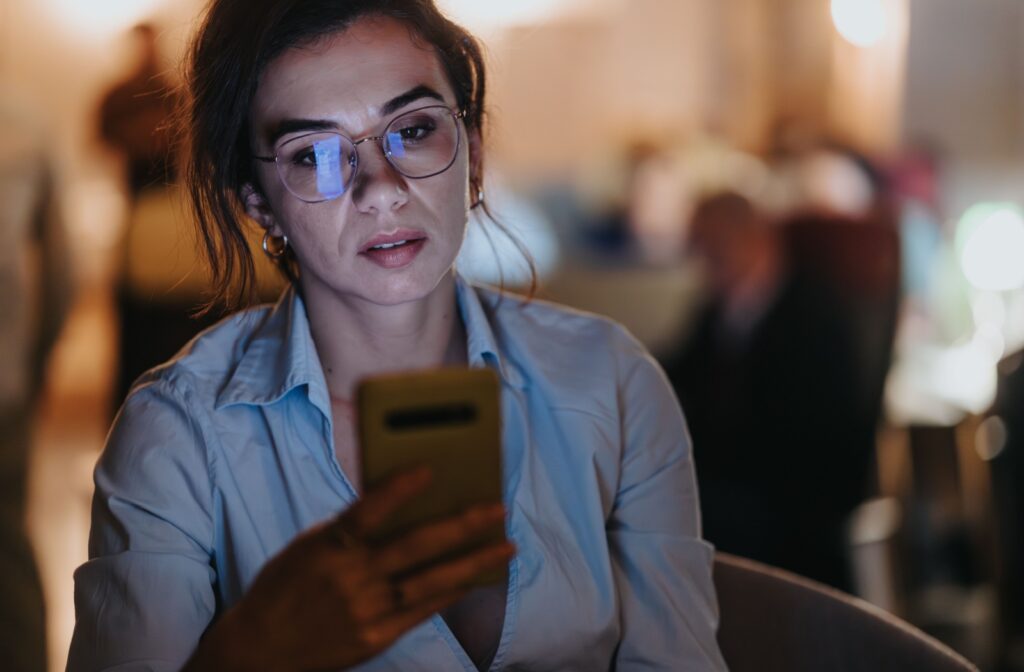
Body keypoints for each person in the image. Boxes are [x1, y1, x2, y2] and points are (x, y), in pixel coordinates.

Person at [68, 1, 726, 670]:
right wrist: (256, 652)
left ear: (471, 152)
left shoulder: (611, 380)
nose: (381, 189)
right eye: (316, 154)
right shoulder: (179, 431)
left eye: (412, 130)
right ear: (259, 202)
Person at [662, 192, 872, 591]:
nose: (703, 260)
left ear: (753, 239)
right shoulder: (721, 309)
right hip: (734, 477)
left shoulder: (812, 313)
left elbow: (810, 434)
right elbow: (674, 373)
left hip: (791, 497)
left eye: (714, 245)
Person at [0, 86, 73, 672]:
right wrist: (33, 361)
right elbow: (62, 274)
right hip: (4, 381)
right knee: (7, 553)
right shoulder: (19, 119)